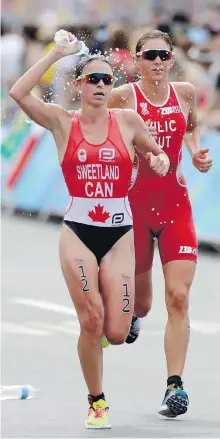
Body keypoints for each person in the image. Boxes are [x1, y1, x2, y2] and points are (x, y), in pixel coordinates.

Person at [10, 31, 170, 429]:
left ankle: (102, 323)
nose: (101, 86)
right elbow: (18, 92)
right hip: (79, 232)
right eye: (93, 80)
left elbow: (155, 150)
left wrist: (161, 159)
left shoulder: (127, 120)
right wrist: (56, 53)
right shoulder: (62, 122)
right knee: (92, 319)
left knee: (116, 333)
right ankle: (97, 401)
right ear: (80, 86)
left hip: (119, 236)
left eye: (107, 81)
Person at [108, 29, 212, 418]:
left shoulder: (184, 92)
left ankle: (174, 388)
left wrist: (196, 153)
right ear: (137, 59)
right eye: (149, 55)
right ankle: (134, 314)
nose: (156, 62)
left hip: (175, 208)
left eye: (162, 55)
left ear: (171, 59)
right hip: (134, 209)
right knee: (146, 304)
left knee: (179, 298)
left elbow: (189, 127)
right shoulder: (123, 96)